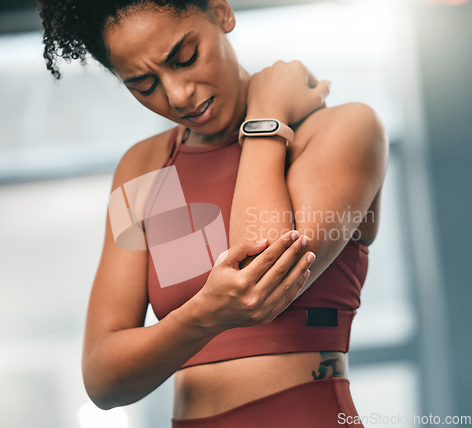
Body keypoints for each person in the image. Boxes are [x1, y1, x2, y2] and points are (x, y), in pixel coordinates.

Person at [36, 0, 389, 426]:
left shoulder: (341, 129)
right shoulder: (146, 169)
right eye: (144, 85)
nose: (178, 95)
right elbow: (104, 379)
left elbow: (261, 273)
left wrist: (265, 117)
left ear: (220, 12)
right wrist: (206, 312)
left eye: (185, 57)